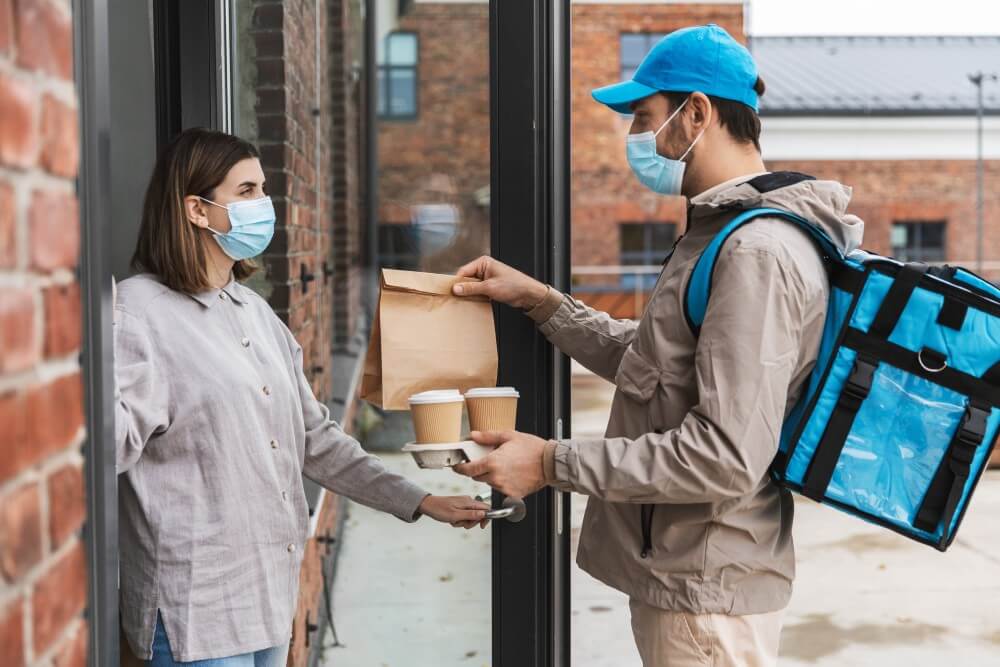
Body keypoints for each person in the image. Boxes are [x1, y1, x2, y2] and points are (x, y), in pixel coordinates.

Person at [451, 24, 864, 666]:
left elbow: (724, 456)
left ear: (695, 111)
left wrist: (550, 462)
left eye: (644, 117)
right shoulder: (722, 231)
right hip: (690, 579)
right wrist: (543, 302)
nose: (635, 138)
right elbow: (656, 366)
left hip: (705, 596)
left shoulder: (755, 251)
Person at [114, 127, 490, 666]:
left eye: (263, 190)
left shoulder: (254, 313)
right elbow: (104, 449)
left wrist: (419, 501)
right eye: (245, 192)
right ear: (197, 210)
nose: (263, 205)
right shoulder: (137, 313)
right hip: (194, 617)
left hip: (268, 602)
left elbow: (315, 440)